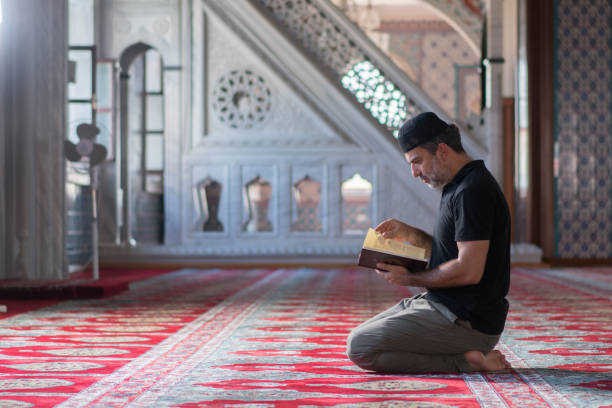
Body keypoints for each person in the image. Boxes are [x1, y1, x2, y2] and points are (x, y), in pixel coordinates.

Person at [346, 111, 512, 373]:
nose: (414, 173)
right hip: (443, 305)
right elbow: (451, 253)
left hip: (468, 322)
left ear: (443, 150)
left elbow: (469, 269)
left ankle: (467, 361)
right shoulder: (457, 185)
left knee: (360, 347)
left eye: (417, 161)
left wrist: (408, 279)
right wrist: (410, 234)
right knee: (360, 334)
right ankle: (468, 355)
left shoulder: (473, 192)